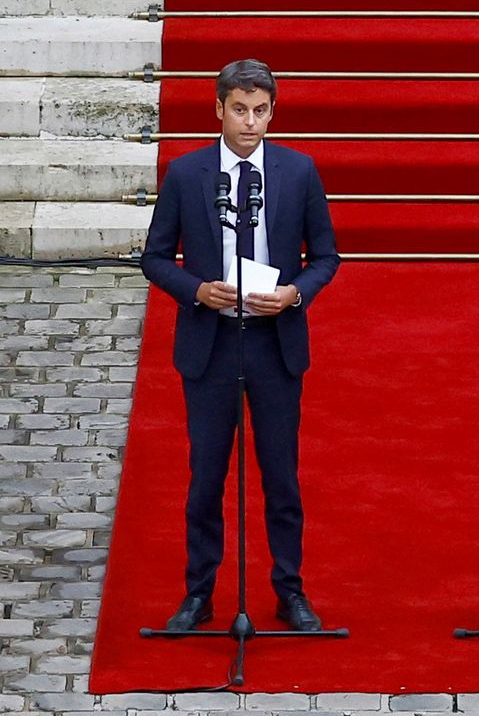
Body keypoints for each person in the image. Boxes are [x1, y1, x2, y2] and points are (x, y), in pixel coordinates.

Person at [138, 59, 337, 636]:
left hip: (274, 342)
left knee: (281, 474)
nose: (250, 123)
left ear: (273, 112)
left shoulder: (298, 172)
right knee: (206, 475)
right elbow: (155, 257)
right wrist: (196, 290)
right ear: (218, 109)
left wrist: (295, 294)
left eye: (261, 111)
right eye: (240, 110)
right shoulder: (186, 173)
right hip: (212, 342)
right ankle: (199, 593)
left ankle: (289, 590)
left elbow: (326, 255)